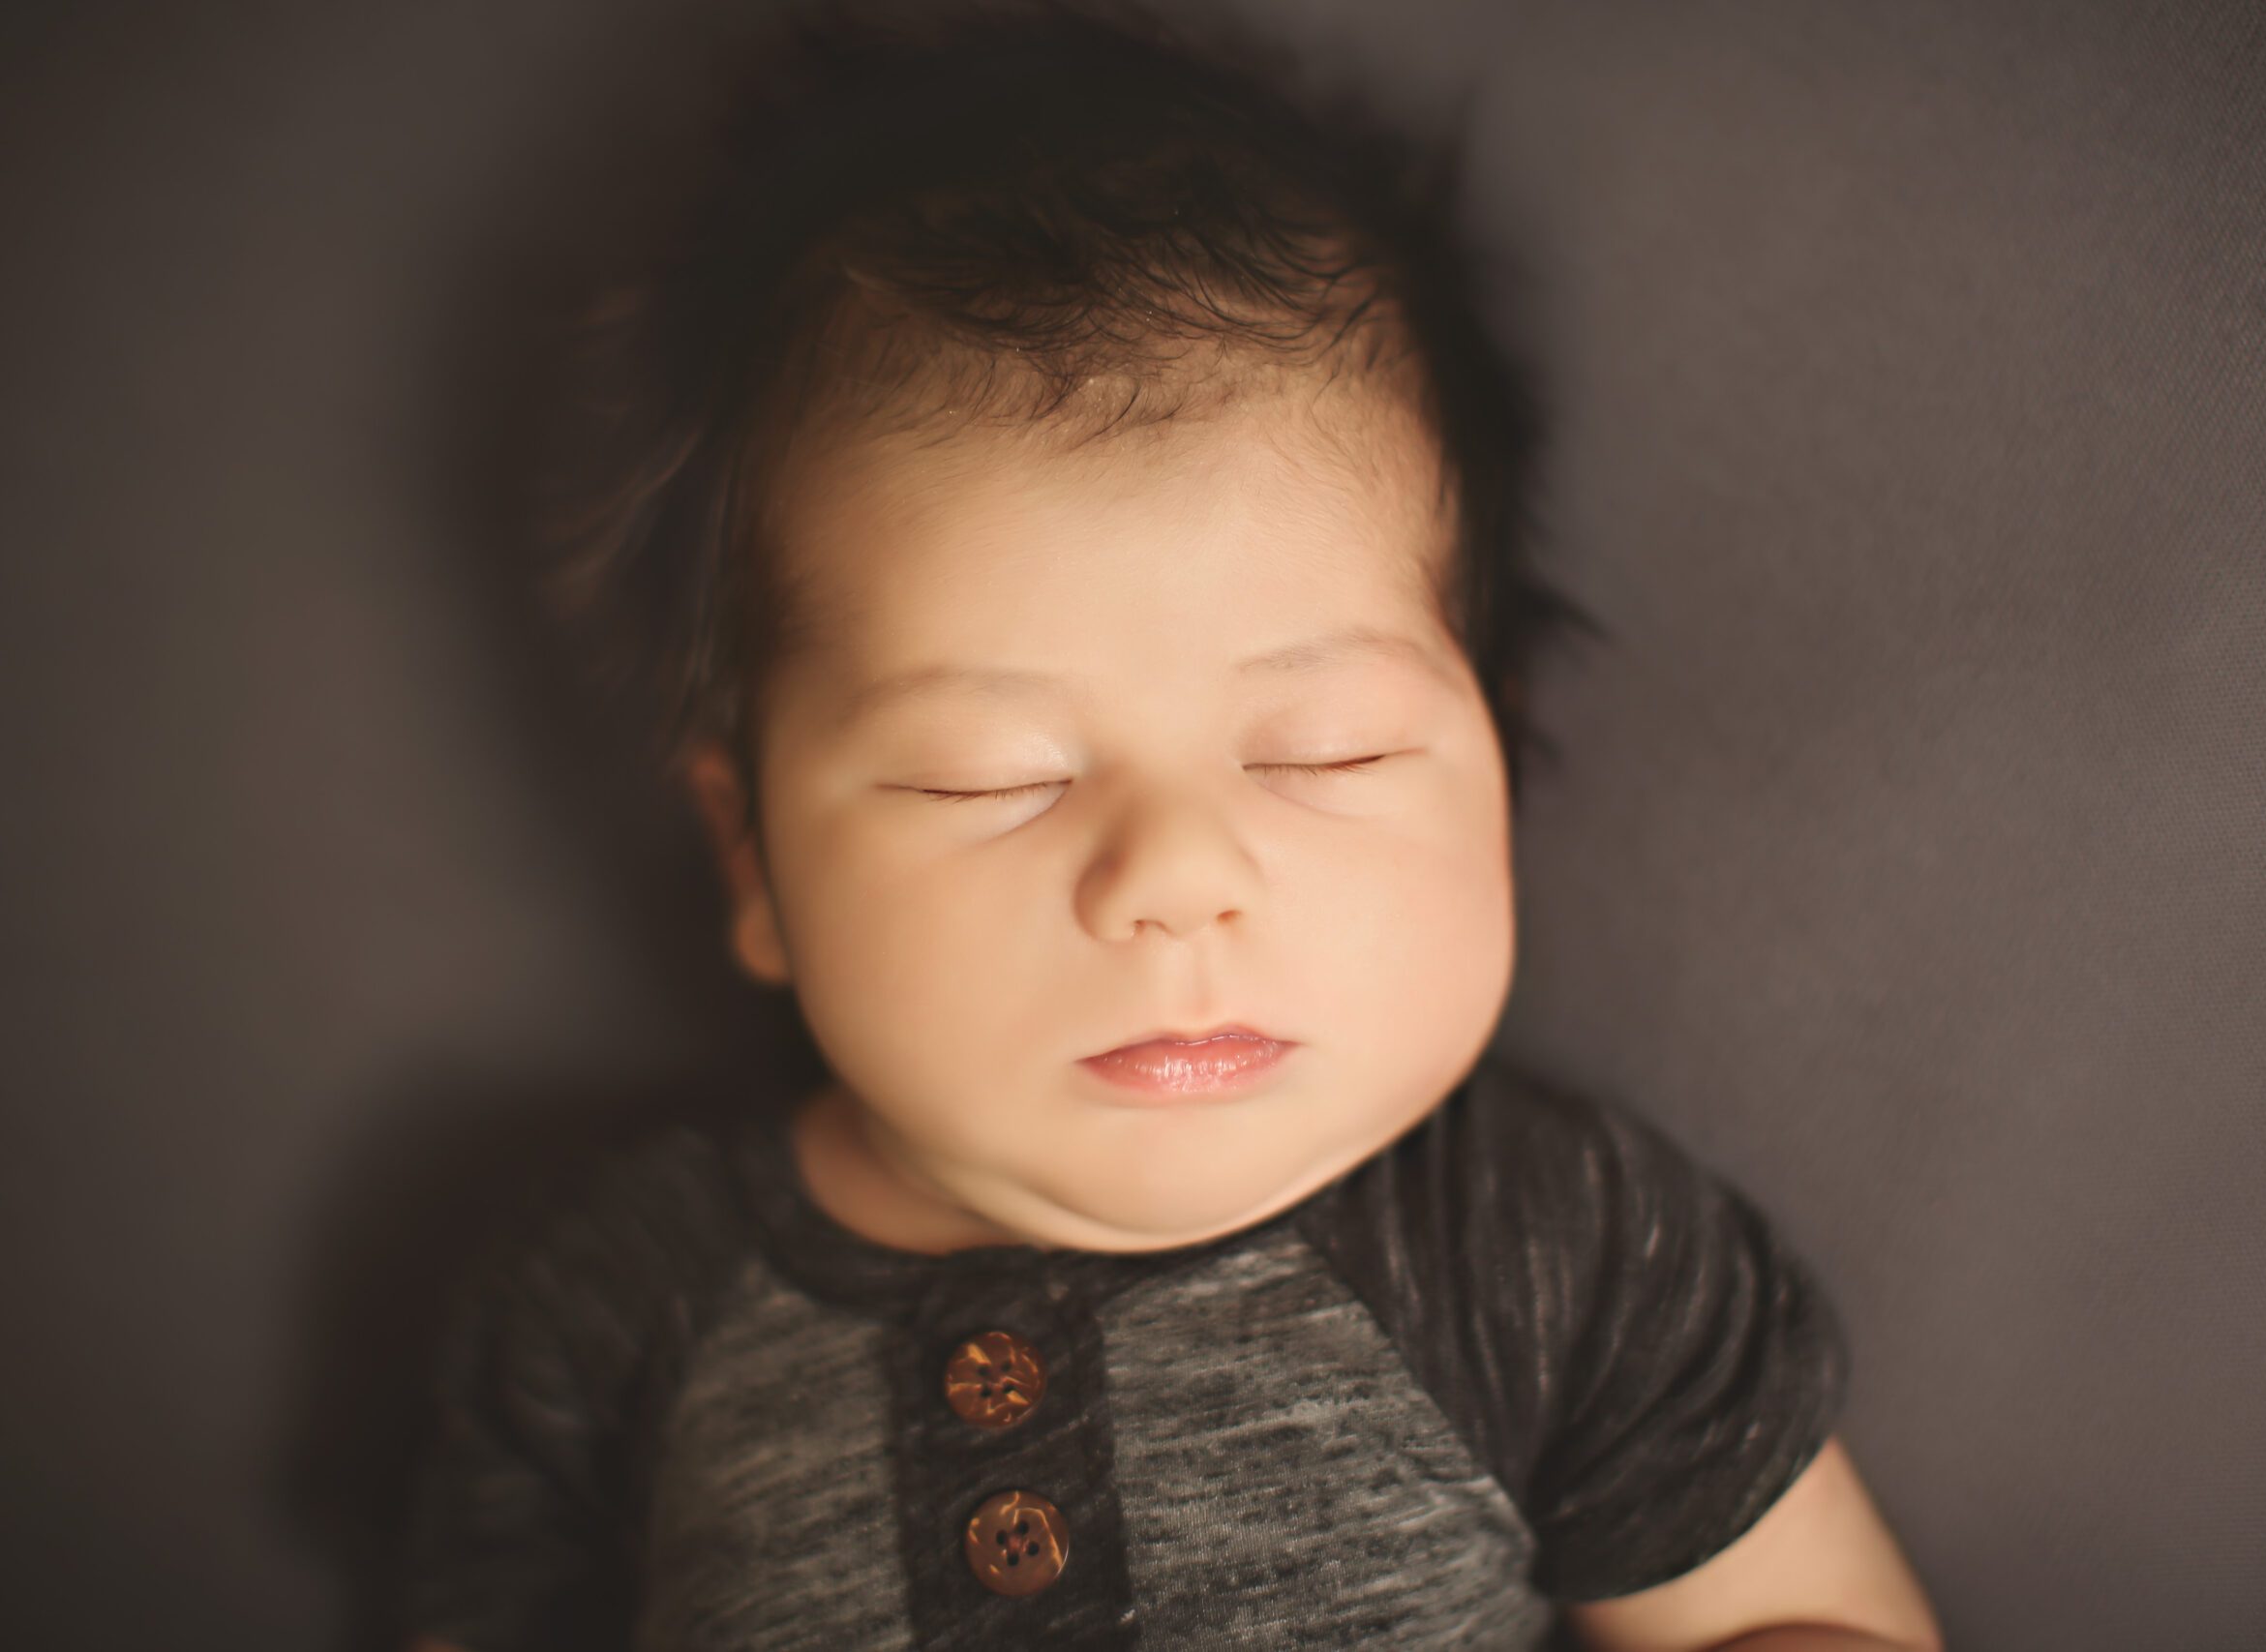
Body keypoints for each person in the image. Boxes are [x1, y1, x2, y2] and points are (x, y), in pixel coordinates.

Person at [398, 2, 1944, 1647]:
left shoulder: (1549, 1247)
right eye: (989, 775)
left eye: (1330, 752)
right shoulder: (621, 1304)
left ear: (1496, 752)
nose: (1174, 880)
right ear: (749, 859)